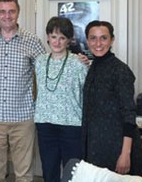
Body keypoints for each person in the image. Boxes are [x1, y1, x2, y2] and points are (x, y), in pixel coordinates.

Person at [0, 0, 46, 182]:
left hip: (23, 118)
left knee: (24, 175)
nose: (7, 16)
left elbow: (48, 68)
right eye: (2, 12)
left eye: (11, 11)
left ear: (18, 13)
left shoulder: (32, 40)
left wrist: (76, 59)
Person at [82, 20, 142, 178]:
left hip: (118, 147)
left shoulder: (120, 70)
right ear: (87, 41)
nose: (98, 43)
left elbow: (129, 114)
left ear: (112, 40)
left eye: (103, 38)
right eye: (93, 38)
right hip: (96, 146)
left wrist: (125, 154)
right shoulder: (93, 67)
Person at [34, 17, 88, 182]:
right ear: (48, 37)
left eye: (62, 38)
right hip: (45, 124)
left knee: (72, 172)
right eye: (54, 36)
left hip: (71, 125)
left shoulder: (79, 63)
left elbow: (87, 94)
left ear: (69, 40)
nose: (57, 42)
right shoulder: (39, 61)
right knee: (49, 170)